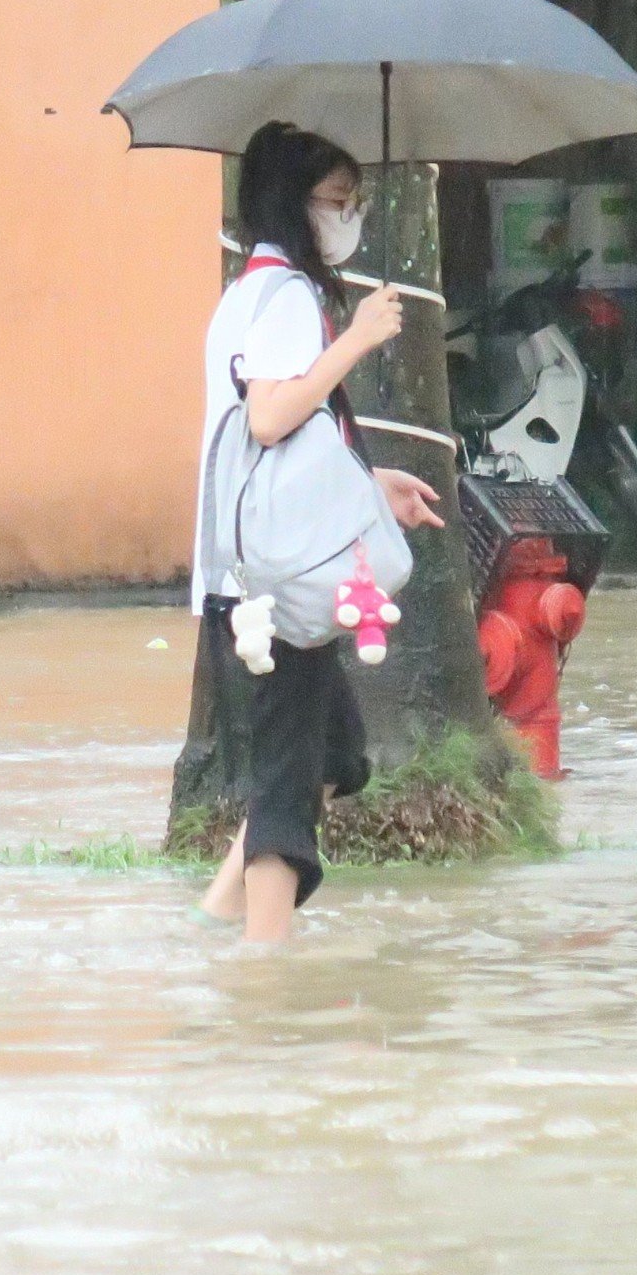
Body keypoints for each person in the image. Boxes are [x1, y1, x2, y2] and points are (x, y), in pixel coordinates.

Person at [192, 123, 444, 944]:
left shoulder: (249, 292)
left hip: (256, 570)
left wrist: (371, 486)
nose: (349, 217)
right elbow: (271, 417)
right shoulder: (290, 299)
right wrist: (357, 339)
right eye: (338, 201)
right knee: (289, 772)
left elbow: (277, 446)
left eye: (354, 202)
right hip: (276, 584)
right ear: (291, 205)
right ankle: (263, 970)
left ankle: (216, 923)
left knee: (335, 755)